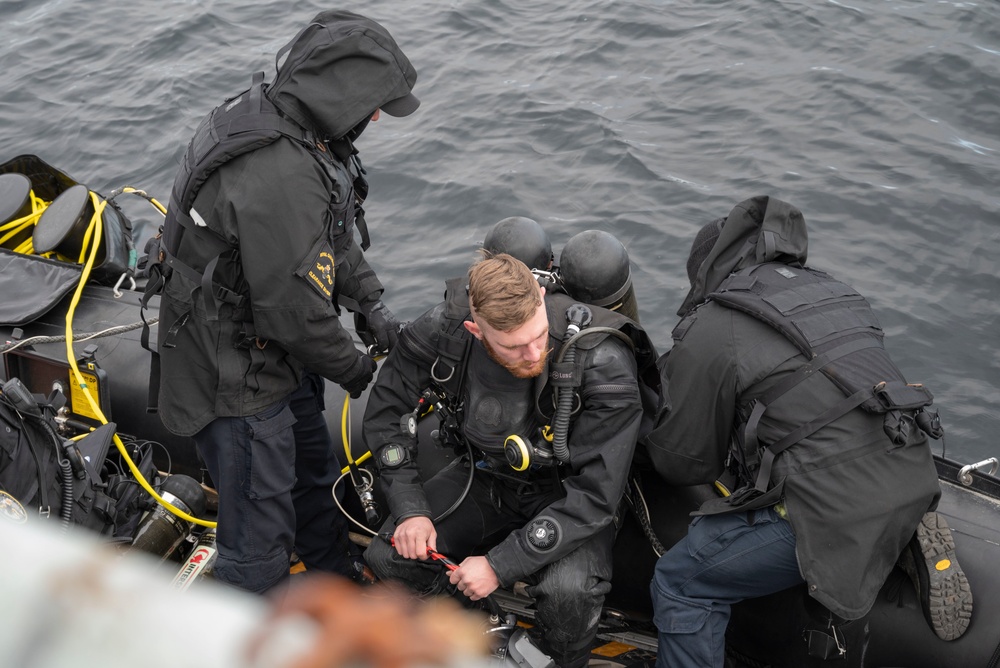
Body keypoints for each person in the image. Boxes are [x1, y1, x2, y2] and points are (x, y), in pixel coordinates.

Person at [147, 10, 419, 593]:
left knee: (312, 471)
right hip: (234, 373)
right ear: (340, 91)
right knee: (258, 525)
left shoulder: (296, 128)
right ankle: (258, 615)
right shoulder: (276, 169)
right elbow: (292, 311)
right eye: (372, 102)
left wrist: (371, 303)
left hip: (274, 356)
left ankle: (332, 576)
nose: (375, 116)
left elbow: (328, 237)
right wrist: (358, 369)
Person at [643, 195, 972, 667]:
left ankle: (863, 535)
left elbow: (681, 461)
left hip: (832, 504)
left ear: (707, 269)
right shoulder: (836, 292)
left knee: (680, 583)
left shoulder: (716, 323)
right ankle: (901, 532)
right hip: (913, 466)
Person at [362, 252, 658, 668]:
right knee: (390, 554)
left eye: (538, 336)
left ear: (540, 295)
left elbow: (596, 494)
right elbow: (388, 410)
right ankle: (483, 632)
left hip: (568, 494)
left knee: (568, 595)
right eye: (514, 346)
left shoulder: (601, 358)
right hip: (487, 475)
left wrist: (499, 566)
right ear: (475, 329)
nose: (533, 353)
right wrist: (410, 509)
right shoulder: (446, 331)